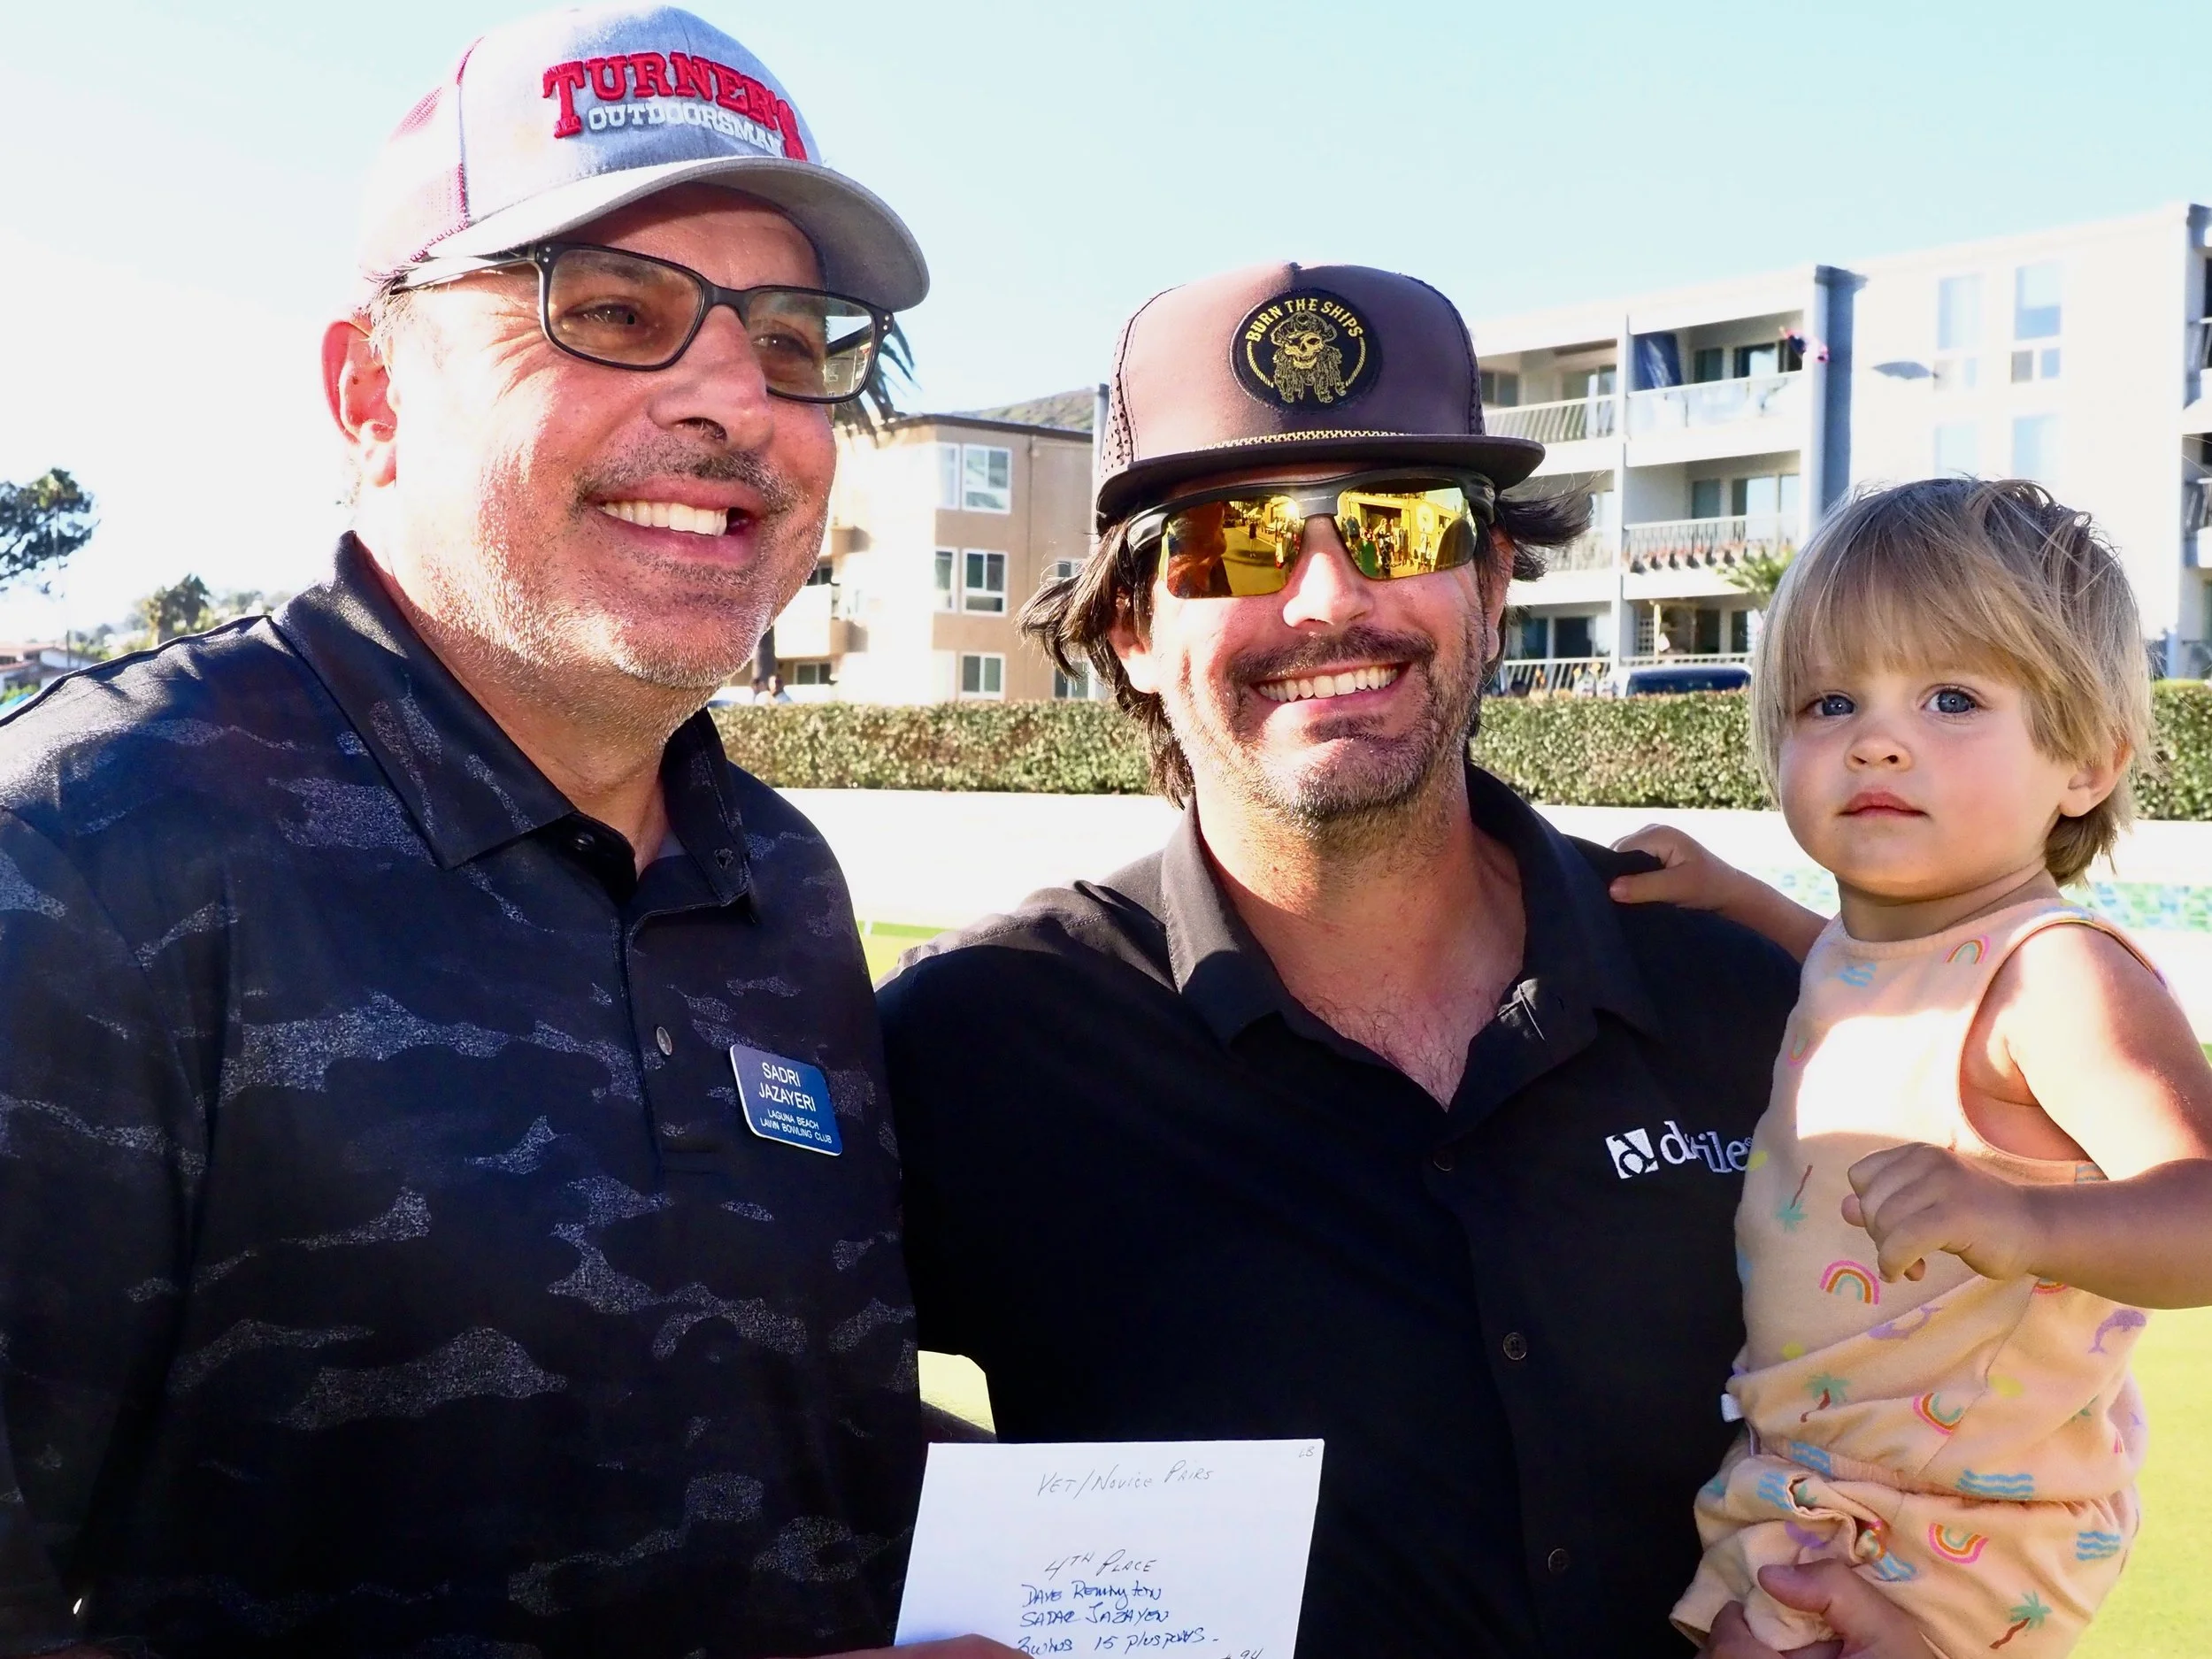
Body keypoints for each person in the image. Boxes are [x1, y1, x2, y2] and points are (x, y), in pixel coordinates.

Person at [0, 7, 1009, 1655]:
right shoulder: (93, 851)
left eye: (795, 339)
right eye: (611, 311)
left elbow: (782, 1444)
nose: (736, 405)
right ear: (370, 389)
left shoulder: (779, 888)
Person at [879, 263, 1947, 1655]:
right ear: (1134, 629)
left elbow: (1985, 1382)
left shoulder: (1748, 1000)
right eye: (1235, 542)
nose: (1328, 596)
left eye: (1398, 524)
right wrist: (1041, 1537)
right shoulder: (981, 1038)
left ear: (1493, 580)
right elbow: (738, 1402)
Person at [1609, 480, 2212, 1655]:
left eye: (1951, 698)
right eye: (1830, 699)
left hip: (1958, 1529)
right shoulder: (1866, 953)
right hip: (1812, 1488)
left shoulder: (2057, 979)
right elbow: (1858, 987)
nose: (1877, 737)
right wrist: (1730, 894)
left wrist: (2020, 1219)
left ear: (2085, 761)